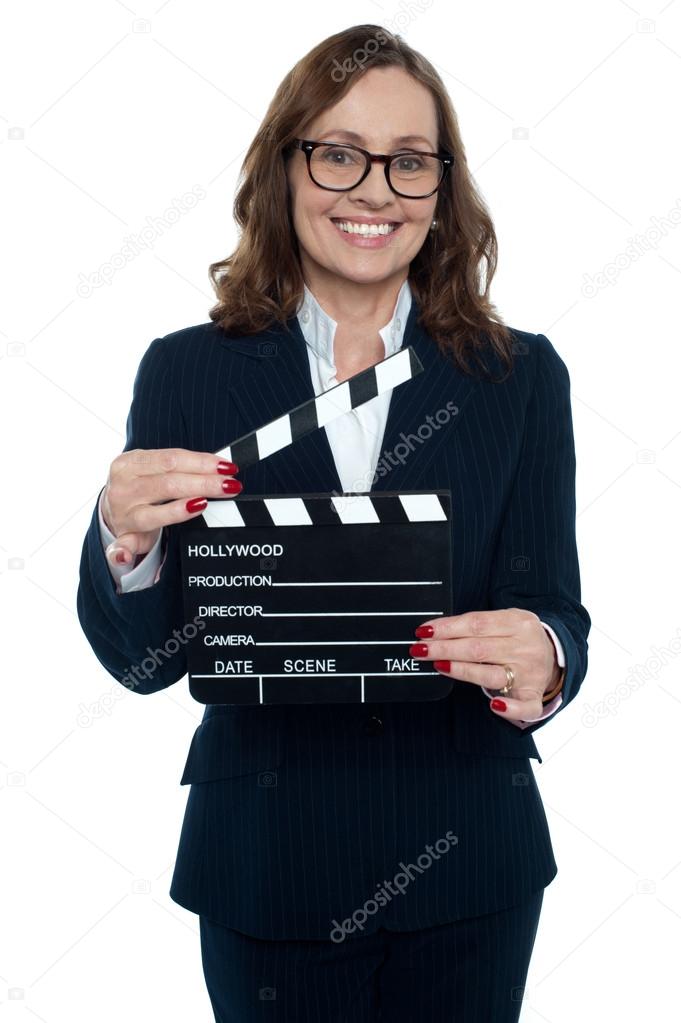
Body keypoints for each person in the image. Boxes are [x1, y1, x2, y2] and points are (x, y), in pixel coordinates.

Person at [77, 24, 590, 1023]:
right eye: (339, 152)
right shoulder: (186, 370)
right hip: (266, 863)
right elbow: (147, 664)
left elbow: (552, 605)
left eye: (408, 161)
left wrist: (548, 655)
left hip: (471, 861)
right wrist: (124, 542)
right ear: (288, 167)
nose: (373, 190)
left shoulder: (520, 377)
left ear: (442, 187)